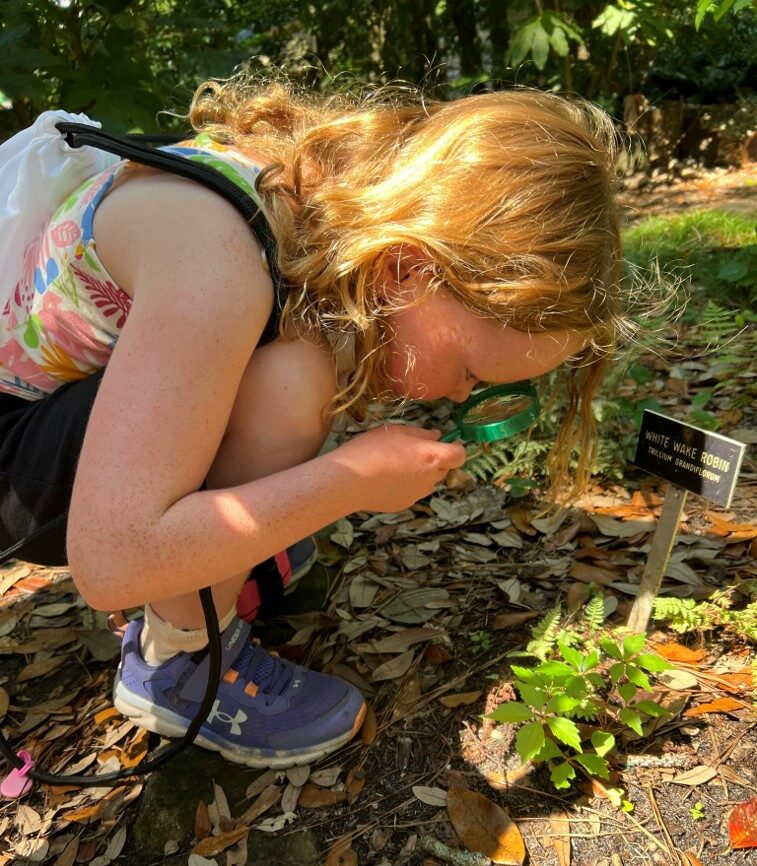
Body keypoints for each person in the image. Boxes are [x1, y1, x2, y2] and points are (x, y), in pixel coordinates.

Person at [0, 76, 626, 768]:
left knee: (297, 361)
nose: (453, 397)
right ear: (407, 268)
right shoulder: (219, 263)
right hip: (13, 463)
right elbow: (112, 562)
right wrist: (348, 480)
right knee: (293, 380)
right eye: (469, 373)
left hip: (55, 418)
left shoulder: (295, 195)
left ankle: (209, 556)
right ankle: (179, 659)